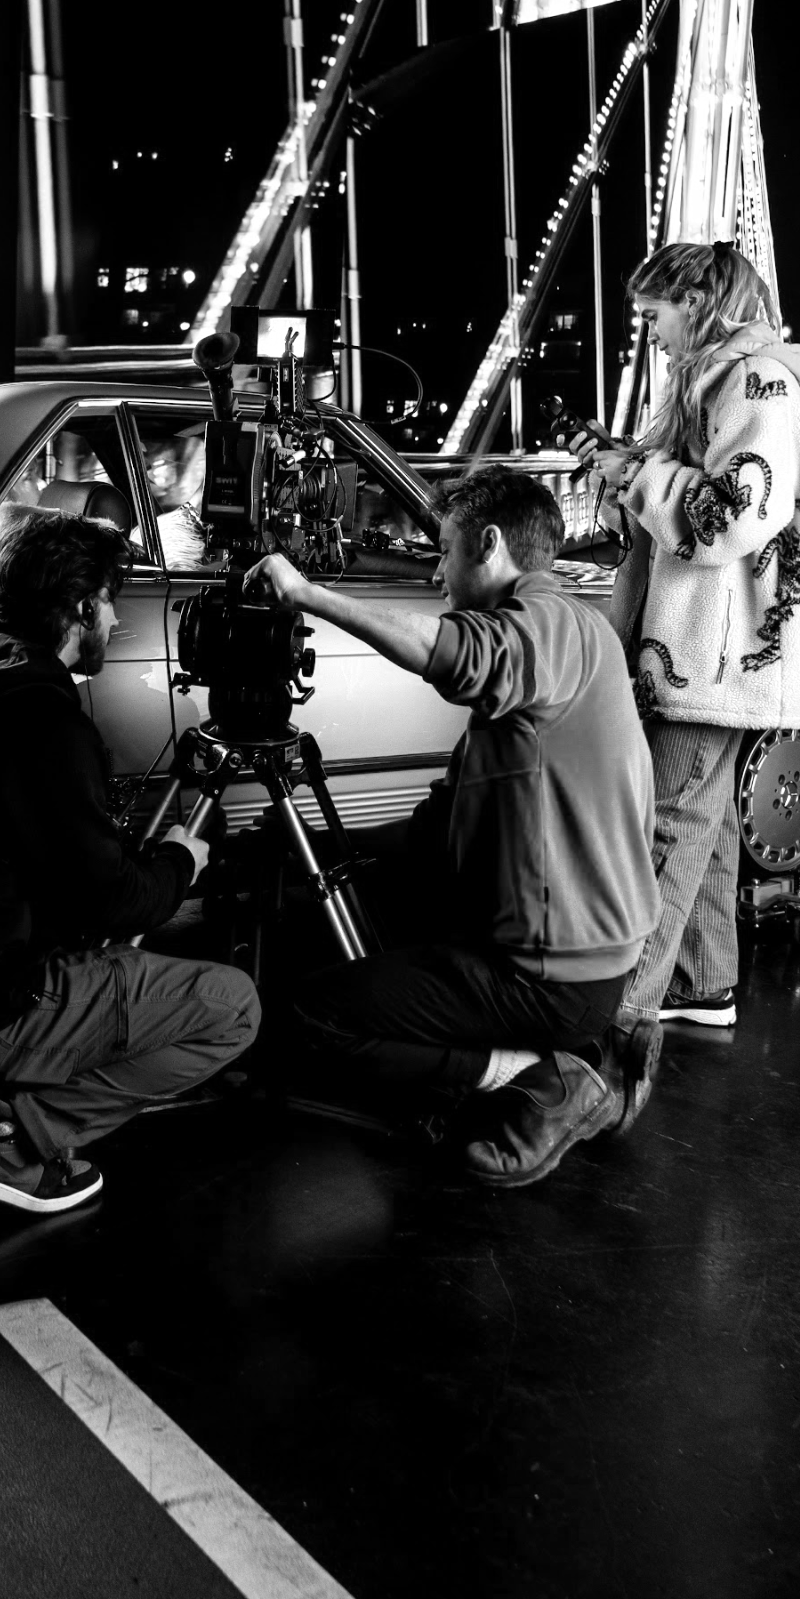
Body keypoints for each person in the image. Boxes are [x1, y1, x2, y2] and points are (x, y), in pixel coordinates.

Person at [244, 467, 663, 1190]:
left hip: (551, 974)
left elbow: (457, 656)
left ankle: (539, 1077)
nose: (437, 570)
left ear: (489, 545)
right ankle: (584, 1050)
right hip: (568, 952)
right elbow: (442, 827)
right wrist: (310, 845)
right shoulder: (561, 638)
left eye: (444, 551)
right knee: (356, 914)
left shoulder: (550, 626)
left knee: (314, 1015)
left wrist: (309, 596)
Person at [0, 508, 260, 1213]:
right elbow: (114, 902)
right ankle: (10, 1140)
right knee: (233, 1008)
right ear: (82, 606)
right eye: (111, 602)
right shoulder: (42, 722)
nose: (116, 621)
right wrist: (181, 861)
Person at [581, 240, 800, 1042]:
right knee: (704, 825)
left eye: (653, 311)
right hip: (704, 648)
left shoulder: (756, 383)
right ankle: (702, 982)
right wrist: (630, 473)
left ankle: (618, 1010)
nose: (644, 327)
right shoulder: (723, 379)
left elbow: (728, 518)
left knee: (667, 825)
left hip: (709, 654)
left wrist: (636, 475)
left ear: (697, 302)